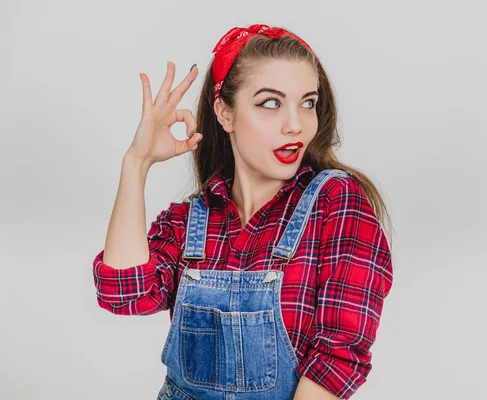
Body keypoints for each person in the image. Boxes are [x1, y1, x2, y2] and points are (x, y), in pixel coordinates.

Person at [92, 23, 394, 400]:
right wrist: (136, 163)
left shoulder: (337, 202)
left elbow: (338, 358)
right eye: (271, 103)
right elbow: (123, 292)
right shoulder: (191, 220)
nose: (295, 125)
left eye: (308, 102)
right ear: (225, 114)